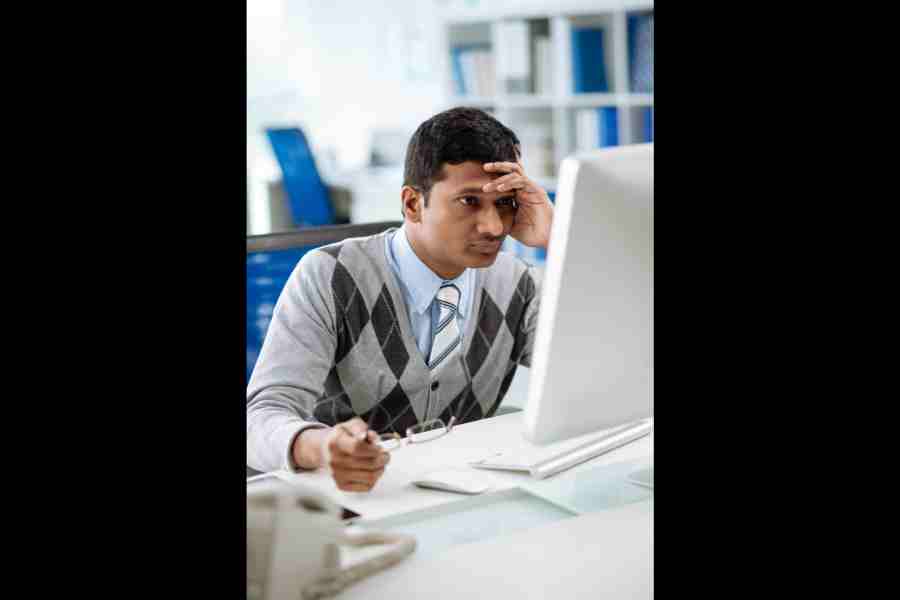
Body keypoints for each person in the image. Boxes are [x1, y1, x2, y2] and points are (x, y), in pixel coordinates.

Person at [247, 107, 554, 491]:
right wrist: (320, 447)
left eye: (505, 202)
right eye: (469, 201)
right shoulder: (330, 276)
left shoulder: (519, 284)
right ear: (412, 204)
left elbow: (600, 376)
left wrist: (561, 242)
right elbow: (260, 417)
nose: (494, 227)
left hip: (460, 497)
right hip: (341, 502)